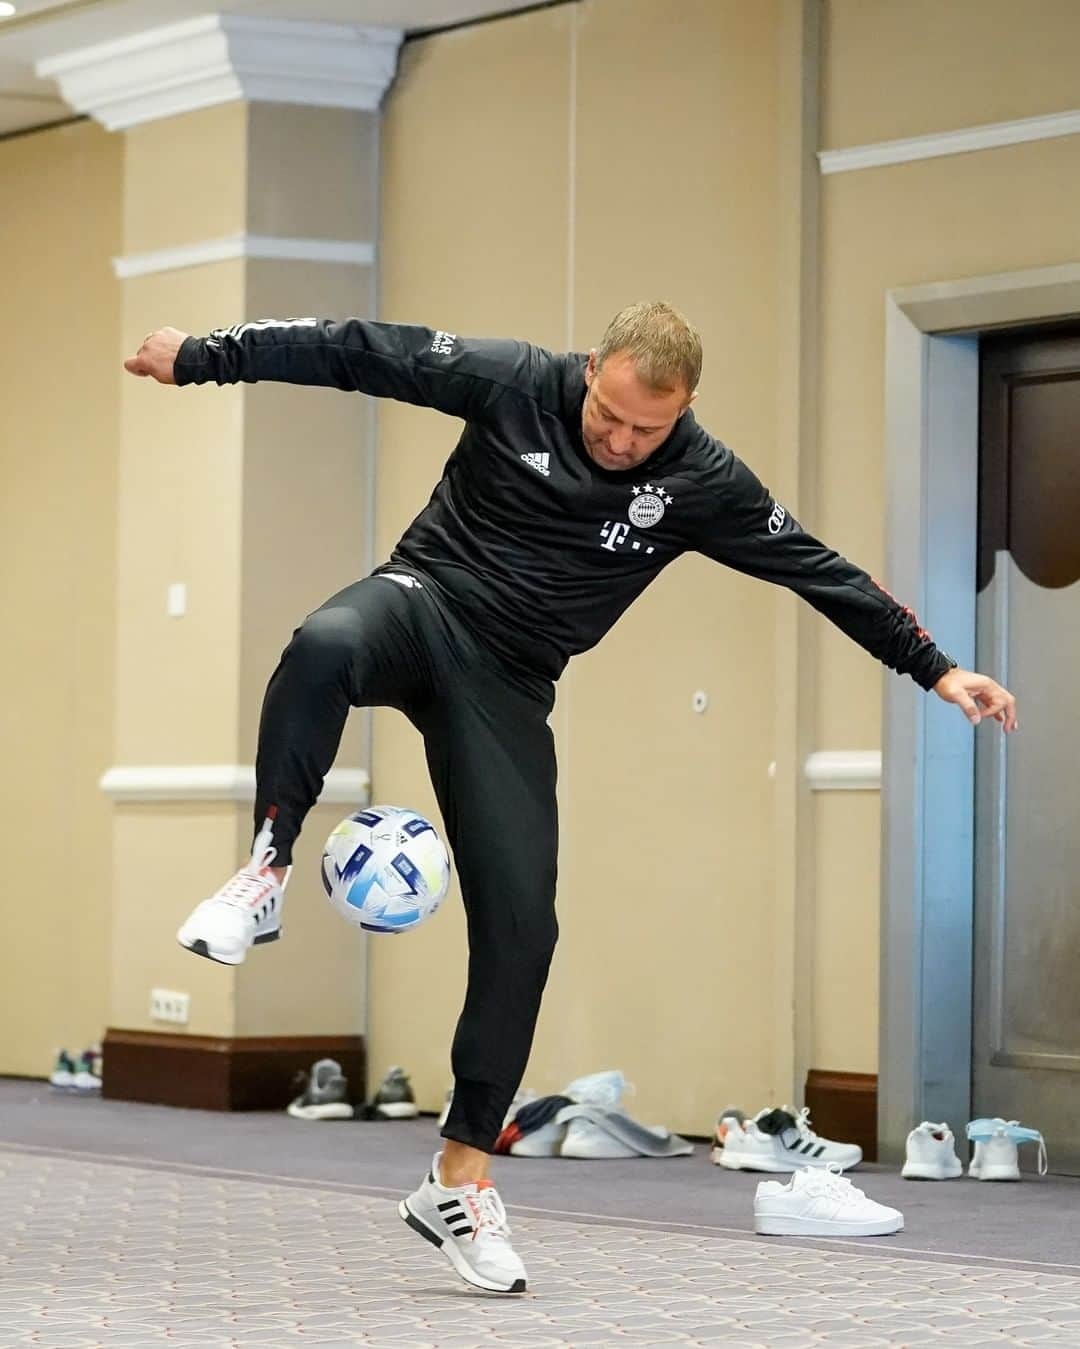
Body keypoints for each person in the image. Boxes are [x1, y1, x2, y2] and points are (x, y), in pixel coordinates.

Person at [124, 303, 1017, 1293]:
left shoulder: (702, 479)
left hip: (508, 681)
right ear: (591, 370)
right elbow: (356, 350)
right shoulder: (512, 381)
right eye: (611, 418)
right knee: (326, 641)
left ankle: (459, 1176)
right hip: (422, 601)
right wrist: (202, 359)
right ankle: (267, 868)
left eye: (650, 428)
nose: (625, 441)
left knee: (524, 926)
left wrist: (934, 669)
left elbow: (820, 569)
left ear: (683, 409)